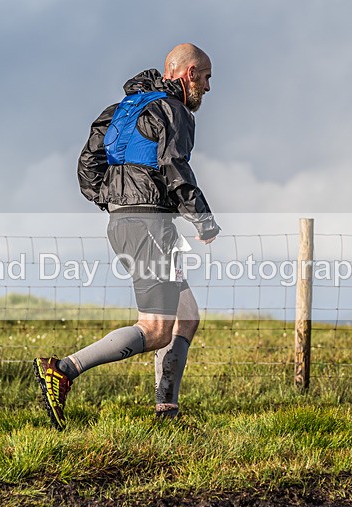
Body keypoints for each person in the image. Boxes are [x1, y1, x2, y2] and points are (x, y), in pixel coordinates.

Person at [34, 43, 220, 431]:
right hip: (148, 224)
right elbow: (174, 165)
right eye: (205, 77)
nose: (207, 86)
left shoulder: (121, 108)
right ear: (188, 74)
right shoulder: (175, 110)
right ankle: (63, 369)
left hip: (130, 221)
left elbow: (88, 163)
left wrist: (114, 201)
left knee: (186, 316)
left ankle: (167, 412)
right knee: (154, 329)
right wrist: (202, 219)